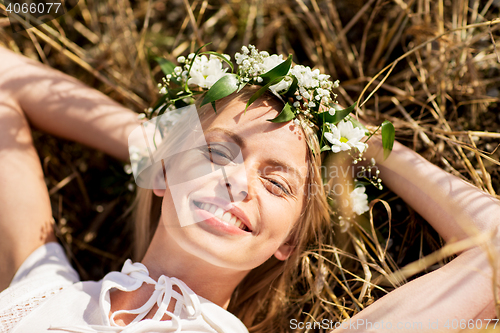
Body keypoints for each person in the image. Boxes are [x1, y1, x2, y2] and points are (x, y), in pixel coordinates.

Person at [0, 44, 498, 333]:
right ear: (162, 174)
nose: (237, 180)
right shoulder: (39, 287)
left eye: (277, 181)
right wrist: (166, 147)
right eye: (218, 153)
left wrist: (363, 144)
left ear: (290, 242)